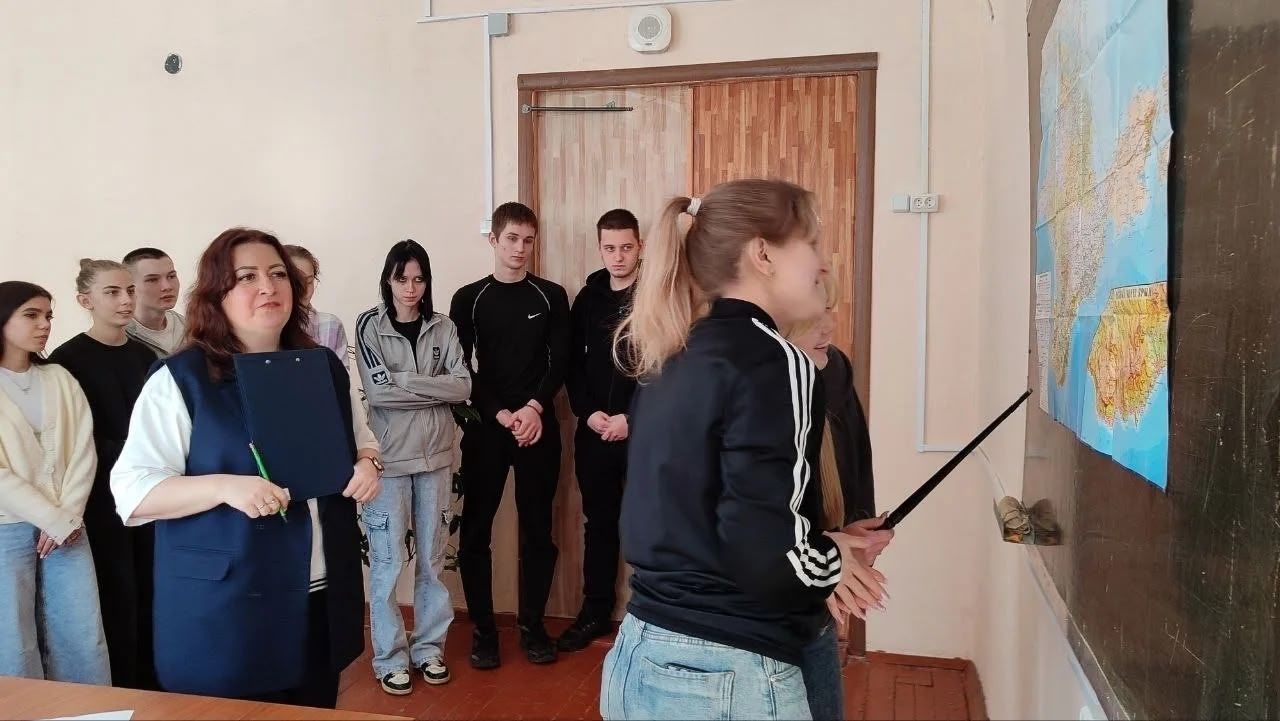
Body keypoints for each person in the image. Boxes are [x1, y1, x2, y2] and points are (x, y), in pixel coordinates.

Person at [600, 180, 889, 721]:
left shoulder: (673, 353)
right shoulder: (778, 360)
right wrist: (833, 559)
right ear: (763, 254)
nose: (823, 263)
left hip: (637, 654)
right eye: (811, 243)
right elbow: (769, 557)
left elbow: (698, 525)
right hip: (727, 675)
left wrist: (823, 546)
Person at [110, 228, 382, 707]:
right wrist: (224, 487)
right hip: (231, 600)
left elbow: (362, 442)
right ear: (217, 293)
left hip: (318, 590)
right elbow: (132, 492)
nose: (268, 287)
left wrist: (368, 464)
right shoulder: (182, 378)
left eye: (278, 274)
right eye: (248, 277)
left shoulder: (322, 367)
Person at [449, 202, 571, 669]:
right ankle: (483, 629)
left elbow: (560, 360)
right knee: (476, 530)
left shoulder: (551, 295)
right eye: (512, 239)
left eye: (528, 240)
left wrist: (534, 408)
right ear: (494, 240)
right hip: (489, 428)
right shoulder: (470, 298)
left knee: (538, 530)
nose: (520, 248)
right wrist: (500, 413)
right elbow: (461, 367)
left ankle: (532, 626)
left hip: (538, 426)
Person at [355, 240, 471, 695]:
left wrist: (405, 380)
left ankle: (428, 650)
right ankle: (389, 658)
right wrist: (432, 388)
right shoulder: (369, 325)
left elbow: (462, 387)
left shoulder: (443, 326)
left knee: (432, 560)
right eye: (402, 278)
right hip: (388, 461)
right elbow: (378, 393)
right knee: (386, 564)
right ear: (388, 279)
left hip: (437, 459)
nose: (410, 287)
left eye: (419, 279)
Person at [48, 260, 161, 690]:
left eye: (129, 290)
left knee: (151, 585)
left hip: (149, 490)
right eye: (112, 292)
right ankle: (120, 685)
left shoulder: (144, 356)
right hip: (97, 495)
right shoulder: (66, 360)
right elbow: (71, 439)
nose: (126, 300)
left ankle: (156, 683)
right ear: (85, 300)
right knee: (115, 590)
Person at [786, 274, 894, 720]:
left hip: (812, 614)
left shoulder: (834, 371)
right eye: (813, 315)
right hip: (765, 622)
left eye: (829, 310)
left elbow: (856, 469)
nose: (829, 326)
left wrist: (856, 539)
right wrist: (826, 560)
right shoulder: (751, 398)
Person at [0, 281, 110, 685]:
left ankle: (92, 710)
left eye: (48, 315)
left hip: (69, 524)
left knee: (81, 632)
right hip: (7, 526)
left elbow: (84, 450)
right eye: (31, 315)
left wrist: (67, 516)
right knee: (12, 639)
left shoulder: (60, 377)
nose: (45, 324)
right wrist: (52, 517)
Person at [558, 209, 641, 652]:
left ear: (640, 247)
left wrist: (633, 418)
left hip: (643, 432)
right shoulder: (588, 299)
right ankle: (595, 612)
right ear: (600, 249)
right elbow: (572, 364)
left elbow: (666, 366)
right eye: (610, 248)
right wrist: (588, 413)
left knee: (651, 523)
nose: (618, 257)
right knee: (600, 524)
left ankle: (652, 619)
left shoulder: (656, 295)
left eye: (626, 247)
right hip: (594, 430)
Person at [283, 243, 379, 465]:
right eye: (297, 280)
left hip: (327, 430)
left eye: (310, 281)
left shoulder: (330, 325)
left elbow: (341, 386)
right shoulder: (269, 330)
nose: (304, 288)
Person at [123, 247, 187, 357]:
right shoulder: (118, 337)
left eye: (171, 276)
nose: (167, 286)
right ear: (130, 287)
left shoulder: (188, 327)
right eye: (152, 280)